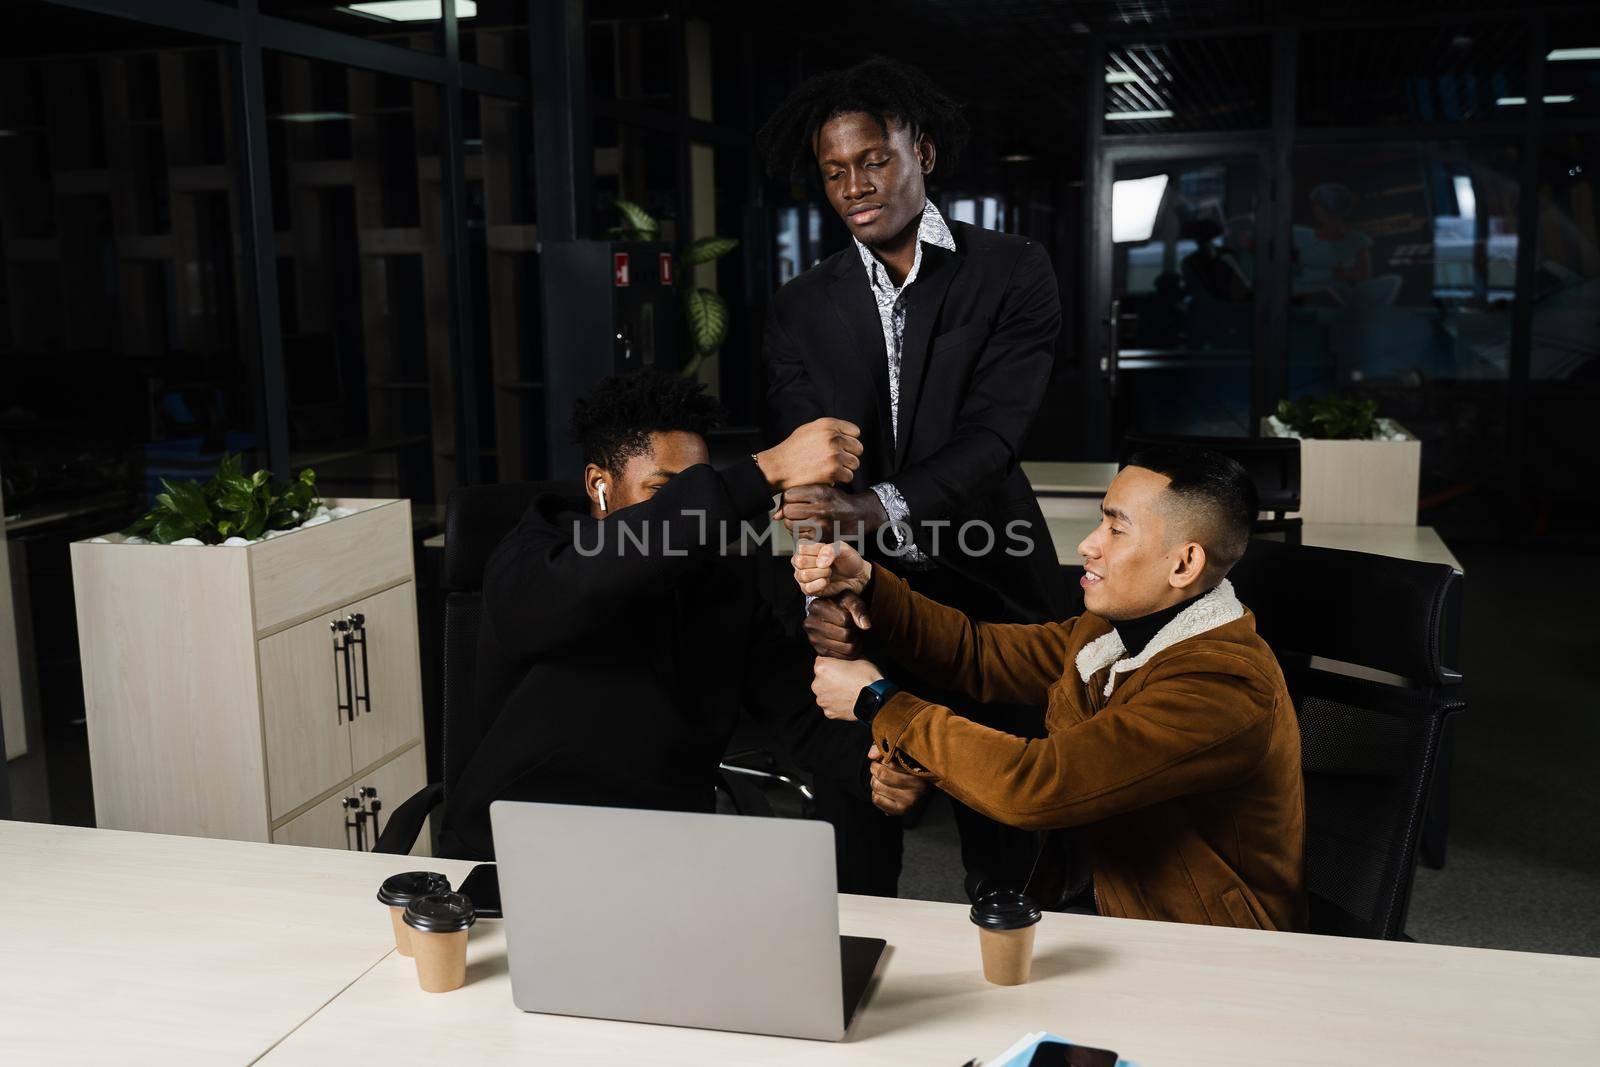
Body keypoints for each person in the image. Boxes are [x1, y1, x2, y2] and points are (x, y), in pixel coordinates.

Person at [755, 56, 1072, 900]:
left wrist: (867, 507)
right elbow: (808, 472)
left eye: (874, 159)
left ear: (921, 151)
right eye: (834, 171)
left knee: (1014, 856)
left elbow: (991, 440)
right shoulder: (798, 307)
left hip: (995, 596)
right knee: (854, 851)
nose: (855, 185)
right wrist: (828, 594)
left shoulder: (1012, 270)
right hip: (866, 608)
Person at [795, 447, 1308, 931]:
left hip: (1200, 946)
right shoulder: (1111, 632)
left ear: (1184, 564)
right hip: (1097, 904)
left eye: (1116, 529)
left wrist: (877, 701)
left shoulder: (1221, 687)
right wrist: (868, 581)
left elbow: (1036, 786)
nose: (1089, 544)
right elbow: (980, 655)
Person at [439, 371, 928, 860]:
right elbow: (590, 581)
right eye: (666, 492)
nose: (695, 516)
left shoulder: (718, 585)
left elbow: (798, 710)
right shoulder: (533, 560)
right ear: (598, 484)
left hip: (664, 854)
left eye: (702, 491)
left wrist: (874, 770)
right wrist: (763, 472)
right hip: (517, 850)